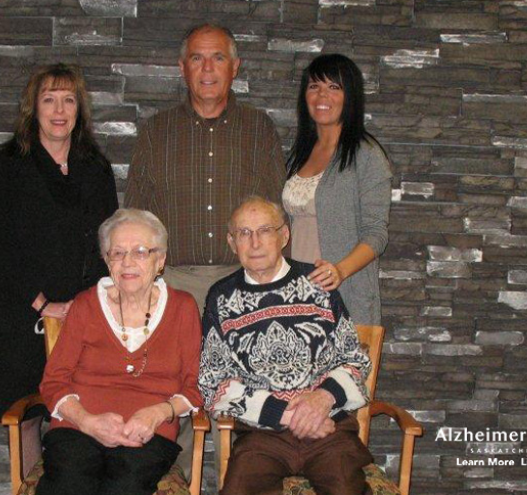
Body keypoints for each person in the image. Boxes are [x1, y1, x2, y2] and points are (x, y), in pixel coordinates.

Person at [0, 64, 118, 465]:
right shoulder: (10, 164)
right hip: (23, 312)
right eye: (49, 99)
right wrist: (43, 305)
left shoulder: (96, 167)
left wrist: (86, 305)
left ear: (80, 109)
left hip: (83, 315)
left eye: (68, 99)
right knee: (26, 416)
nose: (59, 109)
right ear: (33, 108)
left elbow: (109, 245)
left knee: (79, 417)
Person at [199, 196, 374, 495]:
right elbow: (213, 383)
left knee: (346, 489)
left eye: (265, 230)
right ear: (231, 242)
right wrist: (286, 415)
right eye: (244, 233)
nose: (254, 242)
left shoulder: (319, 284)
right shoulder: (221, 297)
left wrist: (322, 399)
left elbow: (355, 360)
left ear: (284, 235)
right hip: (263, 435)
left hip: (328, 428)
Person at [38, 209, 203, 495]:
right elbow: (53, 381)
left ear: (160, 260)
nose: (127, 262)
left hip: (148, 433)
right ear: (106, 260)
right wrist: (86, 421)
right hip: (77, 427)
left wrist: (158, 413)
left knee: (125, 486)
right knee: (68, 483)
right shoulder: (85, 305)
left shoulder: (183, 308)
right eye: (117, 253)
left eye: (140, 252)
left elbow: (196, 385)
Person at [125, 23, 286, 312]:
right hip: (170, 286)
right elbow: (135, 215)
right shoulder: (156, 131)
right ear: (183, 67)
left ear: (234, 67)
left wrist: (281, 284)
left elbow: (278, 210)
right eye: (197, 58)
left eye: (219, 58)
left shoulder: (259, 129)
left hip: (247, 283)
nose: (208, 68)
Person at [283, 53, 392, 326]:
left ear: (350, 96)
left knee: (343, 370)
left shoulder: (366, 155)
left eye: (334, 87)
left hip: (344, 293)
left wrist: (339, 271)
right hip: (296, 291)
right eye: (314, 86)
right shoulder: (299, 153)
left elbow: (377, 234)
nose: (322, 96)